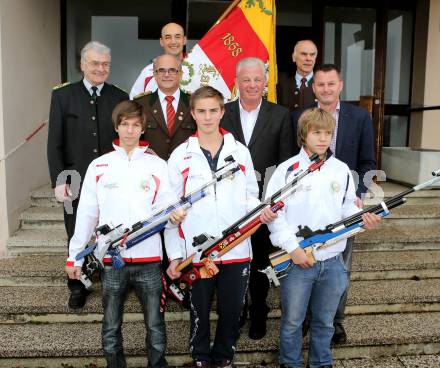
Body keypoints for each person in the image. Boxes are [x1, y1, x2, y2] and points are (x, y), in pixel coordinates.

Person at [65, 100, 183, 368]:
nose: (130, 130)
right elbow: (85, 215)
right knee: (110, 326)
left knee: (155, 326)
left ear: (143, 129)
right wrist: (75, 257)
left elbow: (170, 216)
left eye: (136, 125)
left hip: (150, 261)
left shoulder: (157, 166)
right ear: (116, 127)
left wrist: (175, 256)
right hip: (111, 261)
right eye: (125, 124)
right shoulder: (99, 165)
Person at [261, 108, 381, 368]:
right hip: (297, 260)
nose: (323, 138)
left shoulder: (341, 170)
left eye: (328, 133)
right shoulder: (285, 170)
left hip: (333, 260)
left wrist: (363, 218)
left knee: (325, 322)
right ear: (304, 135)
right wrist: (293, 250)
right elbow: (275, 216)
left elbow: (348, 209)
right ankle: (289, 363)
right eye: (317, 132)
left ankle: (321, 363)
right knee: (292, 321)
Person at [166, 86, 266, 368]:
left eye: (213, 111)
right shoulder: (180, 156)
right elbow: (171, 210)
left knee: (232, 311)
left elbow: (250, 195)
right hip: (197, 252)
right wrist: (175, 255)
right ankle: (200, 358)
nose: (208, 117)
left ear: (222, 112)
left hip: (236, 249)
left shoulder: (240, 152)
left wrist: (255, 216)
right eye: (201, 111)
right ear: (192, 114)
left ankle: (223, 358)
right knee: (198, 310)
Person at [292, 63, 376, 343]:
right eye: (321, 84)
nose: (326, 89)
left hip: (343, 207)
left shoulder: (360, 117)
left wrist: (359, 194)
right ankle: (303, 317)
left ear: (340, 85)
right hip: (305, 208)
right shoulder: (299, 116)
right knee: (304, 263)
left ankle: (334, 321)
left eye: (331, 83)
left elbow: (367, 162)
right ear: (313, 87)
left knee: (341, 266)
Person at [47, 41, 128, 309]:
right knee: (76, 232)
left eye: (105, 64)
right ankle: (77, 285)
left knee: (110, 231)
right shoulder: (63, 96)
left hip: (111, 180)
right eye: (95, 63)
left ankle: (110, 281)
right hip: (75, 179)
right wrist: (59, 180)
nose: (101, 68)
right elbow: (55, 142)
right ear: (82, 64)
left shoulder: (119, 97)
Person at [220, 57, 294, 339]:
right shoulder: (221, 113)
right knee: (234, 260)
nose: (251, 84)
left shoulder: (280, 115)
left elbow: (286, 162)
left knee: (261, 260)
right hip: (230, 205)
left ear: (265, 83)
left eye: (257, 79)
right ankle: (236, 310)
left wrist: (274, 202)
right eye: (246, 79)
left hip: (265, 205)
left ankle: (259, 310)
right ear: (236, 82)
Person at [134, 54, 196, 161]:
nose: (166, 75)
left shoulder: (194, 103)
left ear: (180, 74)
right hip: (151, 170)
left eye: (172, 70)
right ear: (154, 74)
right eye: (161, 70)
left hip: (186, 169)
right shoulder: (140, 104)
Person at [130, 22, 187, 99]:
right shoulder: (148, 72)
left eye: (177, 37)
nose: (173, 41)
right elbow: (133, 103)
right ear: (161, 42)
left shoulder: (197, 70)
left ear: (184, 40)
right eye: (168, 37)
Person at [277, 40, 318, 111]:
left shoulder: (323, 85)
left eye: (312, 54)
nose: (308, 59)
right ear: (294, 57)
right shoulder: (282, 85)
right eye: (304, 54)